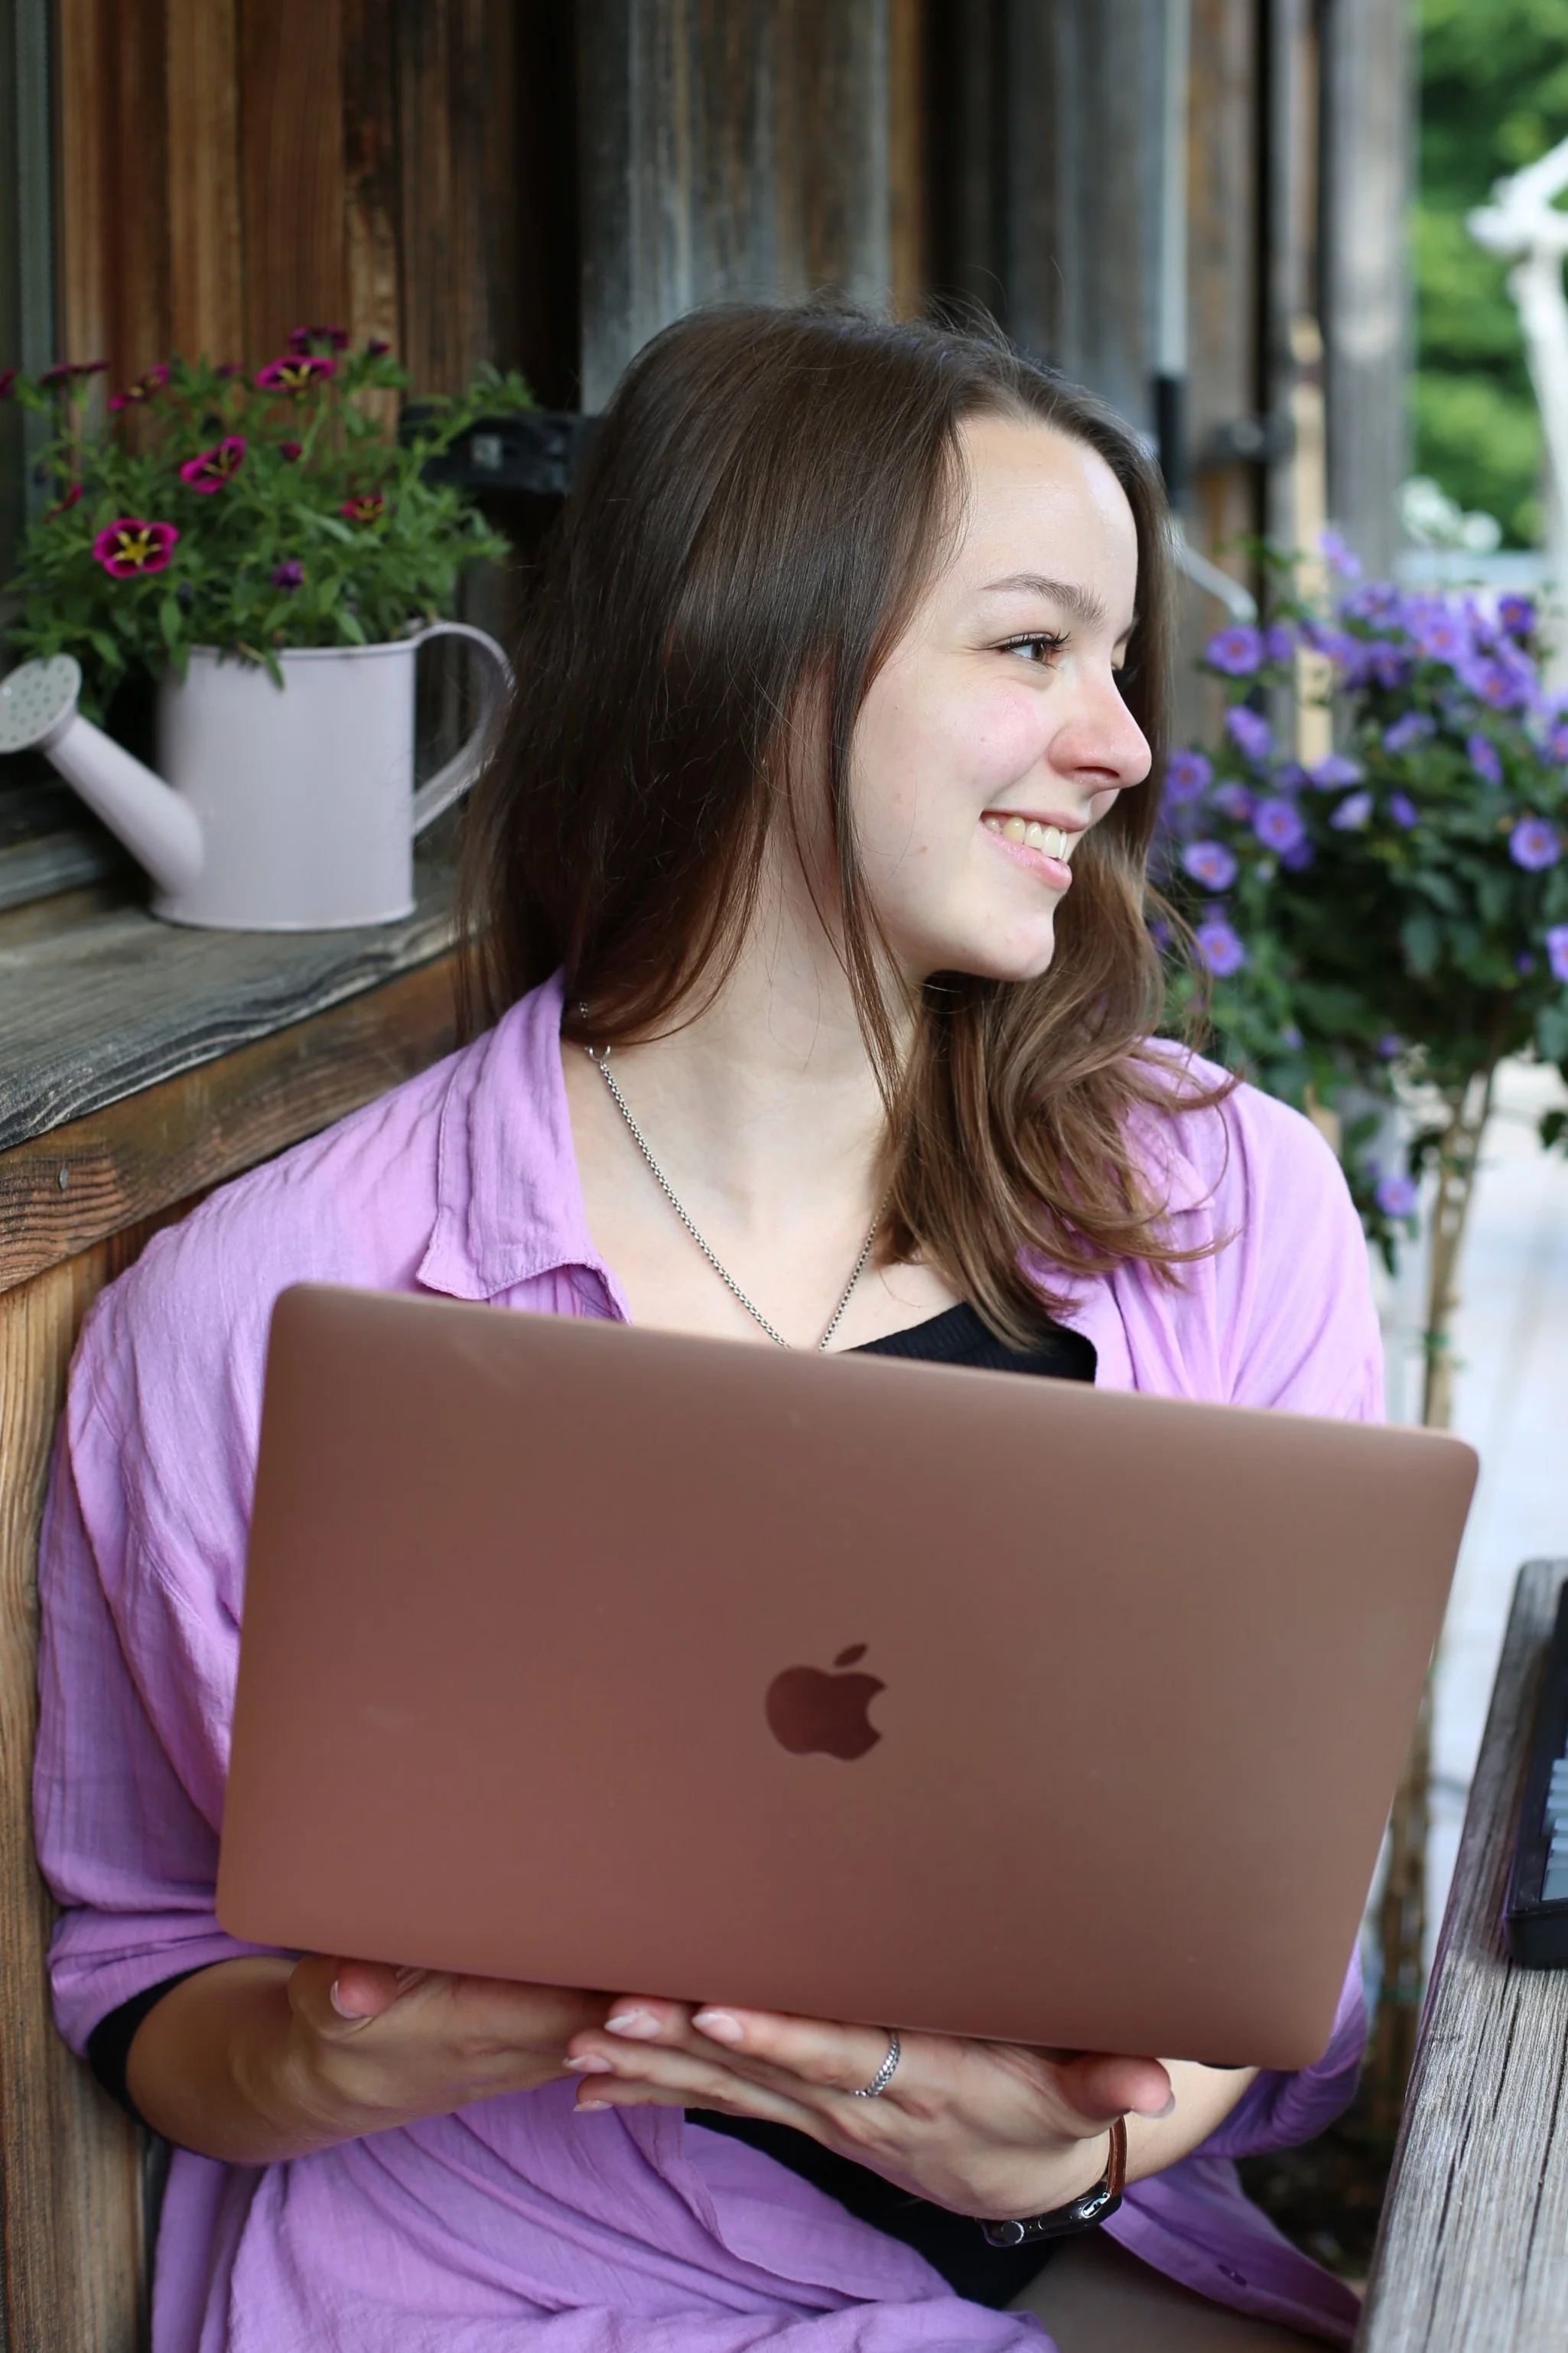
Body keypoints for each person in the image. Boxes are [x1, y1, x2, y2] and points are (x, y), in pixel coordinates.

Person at [34, 303, 1378, 2353]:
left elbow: (1275, 1929)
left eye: (1119, 664)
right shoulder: (260, 1306)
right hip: (507, 2291)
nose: (1120, 743)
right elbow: (144, 1979)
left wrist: (1078, 2150)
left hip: (1085, 2269)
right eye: (1034, 648)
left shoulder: (1228, 1205)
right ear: (744, 655)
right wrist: (344, 2048)